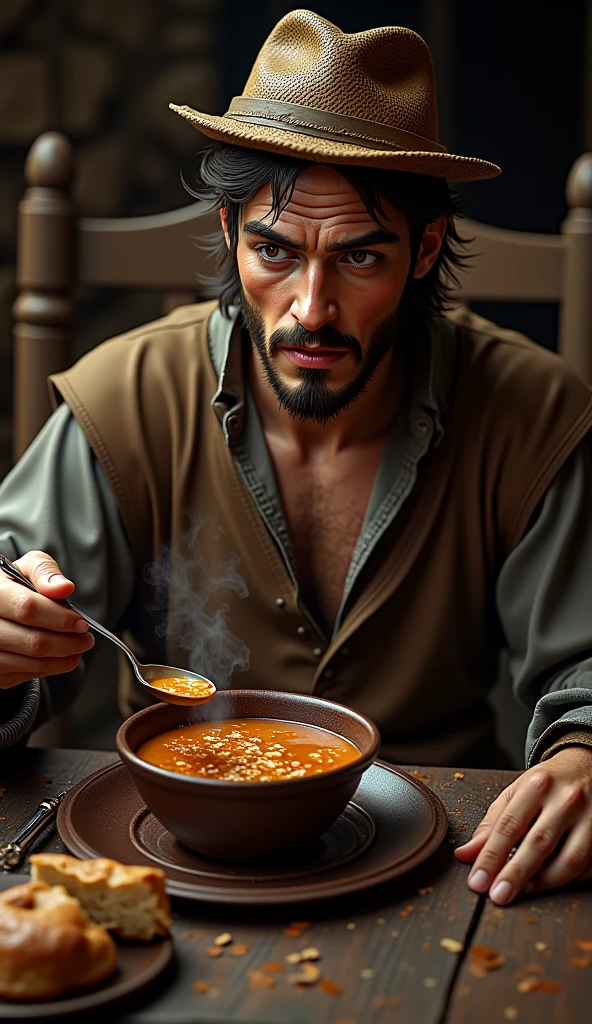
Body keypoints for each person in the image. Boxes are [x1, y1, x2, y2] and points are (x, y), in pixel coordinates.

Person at [1, 10, 592, 906]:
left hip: (452, 872)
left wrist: (587, 751)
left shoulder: (529, 410)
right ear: (233, 230)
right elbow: (13, 600)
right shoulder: (124, 398)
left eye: (359, 256)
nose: (310, 308)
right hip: (159, 860)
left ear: (425, 249)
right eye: (274, 250)